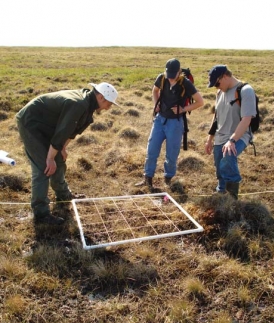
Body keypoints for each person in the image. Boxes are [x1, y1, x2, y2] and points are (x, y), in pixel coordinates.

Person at [16, 82, 119, 224]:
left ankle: (64, 195)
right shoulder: (79, 104)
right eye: (109, 103)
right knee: (43, 168)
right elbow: (62, 132)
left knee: (59, 161)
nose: (109, 107)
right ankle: (41, 214)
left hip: (49, 125)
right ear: (101, 97)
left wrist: (62, 149)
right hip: (31, 122)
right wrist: (50, 157)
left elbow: (71, 131)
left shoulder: (88, 107)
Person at [136, 58, 204, 189]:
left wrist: (183, 109)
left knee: (172, 154)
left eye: (173, 76)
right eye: (169, 76)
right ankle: (147, 178)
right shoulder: (161, 78)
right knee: (151, 150)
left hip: (175, 123)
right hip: (160, 120)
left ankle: (168, 179)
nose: (171, 79)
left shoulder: (186, 83)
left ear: (179, 72)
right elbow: (154, 90)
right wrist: (156, 103)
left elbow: (200, 102)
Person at [205, 65, 257, 199]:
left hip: (239, 135)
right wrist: (210, 139)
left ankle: (232, 199)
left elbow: (246, 120)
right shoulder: (219, 93)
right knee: (219, 165)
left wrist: (232, 140)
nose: (217, 87)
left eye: (217, 83)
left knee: (227, 157)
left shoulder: (246, 91)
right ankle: (221, 193)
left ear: (225, 76)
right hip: (221, 136)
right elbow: (216, 117)